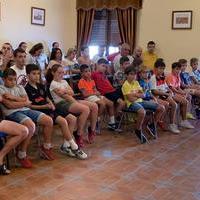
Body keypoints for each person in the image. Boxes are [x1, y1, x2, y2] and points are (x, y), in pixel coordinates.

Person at [25, 64, 87, 159]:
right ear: (28, 75)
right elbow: (29, 106)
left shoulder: (41, 86)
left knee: (72, 118)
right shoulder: (26, 89)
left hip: (49, 108)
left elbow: (47, 98)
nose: (37, 76)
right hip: (41, 111)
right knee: (63, 121)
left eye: (38, 73)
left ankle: (66, 145)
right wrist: (44, 106)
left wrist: (50, 103)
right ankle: (74, 147)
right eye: (34, 74)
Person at [0, 68, 55, 168]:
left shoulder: (20, 87)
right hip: (12, 113)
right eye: (9, 79)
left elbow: (28, 102)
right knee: (31, 126)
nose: (13, 82)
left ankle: (46, 147)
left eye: (14, 79)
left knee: (48, 120)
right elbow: (9, 106)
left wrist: (14, 98)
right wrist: (22, 102)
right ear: (3, 79)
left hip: (25, 110)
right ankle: (22, 154)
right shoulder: (1, 89)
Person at [46, 64, 98, 148]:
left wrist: (65, 91)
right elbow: (64, 96)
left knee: (94, 106)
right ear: (53, 73)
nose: (61, 75)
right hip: (61, 104)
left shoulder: (64, 81)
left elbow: (72, 92)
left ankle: (92, 130)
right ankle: (79, 134)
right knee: (85, 109)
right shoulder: (53, 84)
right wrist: (73, 99)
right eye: (59, 73)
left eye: (62, 72)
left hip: (70, 100)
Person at [122, 66, 164, 143]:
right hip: (131, 104)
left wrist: (135, 95)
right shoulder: (125, 85)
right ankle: (138, 129)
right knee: (142, 112)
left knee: (161, 108)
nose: (133, 76)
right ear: (126, 75)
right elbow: (131, 100)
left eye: (134, 74)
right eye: (131, 74)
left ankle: (151, 124)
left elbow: (143, 94)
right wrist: (138, 95)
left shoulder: (136, 82)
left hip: (141, 101)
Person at [78, 64, 116, 129]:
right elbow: (85, 95)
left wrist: (97, 93)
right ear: (82, 73)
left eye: (89, 71)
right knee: (103, 104)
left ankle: (112, 123)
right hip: (88, 97)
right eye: (86, 71)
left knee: (111, 103)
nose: (88, 73)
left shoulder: (92, 81)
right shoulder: (81, 82)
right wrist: (95, 93)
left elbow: (95, 90)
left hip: (94, 95)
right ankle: (96, 120)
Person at [92, 58, 125, 126]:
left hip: (112, 91)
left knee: (124, 100)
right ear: (97, 65)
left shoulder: (104, 74)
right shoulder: (94, 74)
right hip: (106, 93)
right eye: (103, 66)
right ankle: (113, 120)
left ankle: (112, 121)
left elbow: (108, 85)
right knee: (122, 103)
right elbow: (91, 83)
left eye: (106, 67)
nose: (104, 68)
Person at [150, 59, 180, 133]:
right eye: (160, 68)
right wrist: (166, 94)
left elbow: (166, 87)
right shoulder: (153, 78)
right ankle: (171, 124)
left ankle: (163, 120)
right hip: (159, 95)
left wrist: (169, 91)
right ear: (155, 68)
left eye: (163, 69)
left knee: (181, 101)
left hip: (165, 93)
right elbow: (154, 91)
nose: (161, 70)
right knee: (174, 104)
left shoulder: (162, 77)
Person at [166, 62, 194, 128]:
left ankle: (184, 118)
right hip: (171, 93)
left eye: (179, 69)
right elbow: (172, 88)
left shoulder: (177, 76)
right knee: (185, 101)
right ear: (172, 69)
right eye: (177, 69)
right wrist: (181, 93)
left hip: (175, 92)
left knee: (188, 96)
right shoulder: (170, 76)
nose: (178, 71)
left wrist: (183, 93)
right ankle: (183, 120)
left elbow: (178, 87)